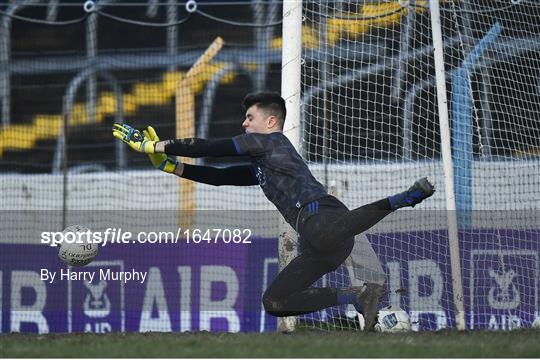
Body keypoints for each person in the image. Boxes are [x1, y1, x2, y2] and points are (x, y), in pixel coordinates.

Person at [112, 91, 435, 331]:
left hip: (324, 216)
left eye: (249, 118)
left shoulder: (272, 142)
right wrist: (171, 167)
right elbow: (220, 176)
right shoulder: (262, 164)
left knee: (321, 234)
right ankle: (357, 296)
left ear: (270, 122)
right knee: (276, 302)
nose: (244, 123)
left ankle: (402, 199)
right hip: (318, 241)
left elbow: (210, 147)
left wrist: (153, 145)